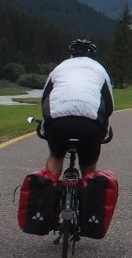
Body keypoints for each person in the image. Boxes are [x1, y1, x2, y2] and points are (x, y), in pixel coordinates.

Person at [40, 39, 114, 178]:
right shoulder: (99, 69)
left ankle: (48, 193)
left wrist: (46, 125)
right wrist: (103, 129)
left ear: (71, 54)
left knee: (56, 156)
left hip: (58, 122)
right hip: (89, 124)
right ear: (92, 55)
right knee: (89, 167)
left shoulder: (60, 67)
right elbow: (109, 106)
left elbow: (45, 99)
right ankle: (88, 194)